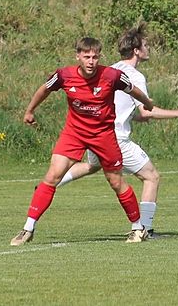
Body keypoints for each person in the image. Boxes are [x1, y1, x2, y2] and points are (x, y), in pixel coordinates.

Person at [10, 36, 155, 246]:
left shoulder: (112, 76)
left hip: (103, 135)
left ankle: (137, 228)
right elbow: (44, 89)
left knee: (116, 182)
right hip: (74, 134)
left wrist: (147, 103)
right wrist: (29, 110)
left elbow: (133, 89)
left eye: (95, 57)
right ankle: (28, 228)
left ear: (99, 57)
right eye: (86, 57)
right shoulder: (64, 75)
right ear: (77, 56)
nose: (91, 61)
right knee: (52, 175)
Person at [55, 22, 178, 238]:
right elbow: (147, 111)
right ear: (137, 51)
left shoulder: (109, 70)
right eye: (146, 45)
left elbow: (118, 106)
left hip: (96, 134)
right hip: (115, 138)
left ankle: (52, 183)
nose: (149, 48)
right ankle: (145, 229)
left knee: (93, 165)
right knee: (151, 176)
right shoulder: (135, 76)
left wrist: (134, 117)